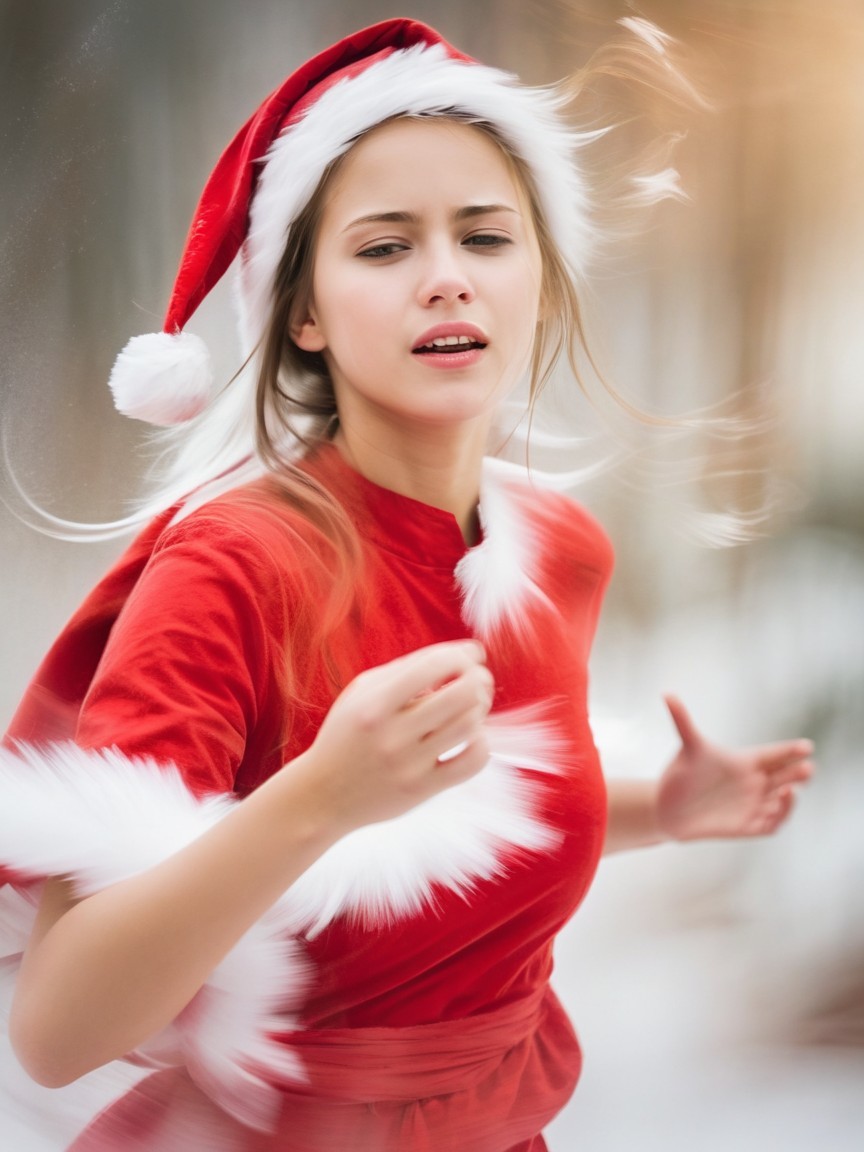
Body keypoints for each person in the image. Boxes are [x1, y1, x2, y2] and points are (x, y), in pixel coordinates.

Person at [0, 17, 814, 1152]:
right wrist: (319, 797)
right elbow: (58, 1026)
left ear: (539, 272)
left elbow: (459, 809)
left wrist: (662, 812)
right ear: (305, 313)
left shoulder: (552, 548)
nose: (446, 279)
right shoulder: (231, 567)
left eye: (486, 238)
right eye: (385, 248)